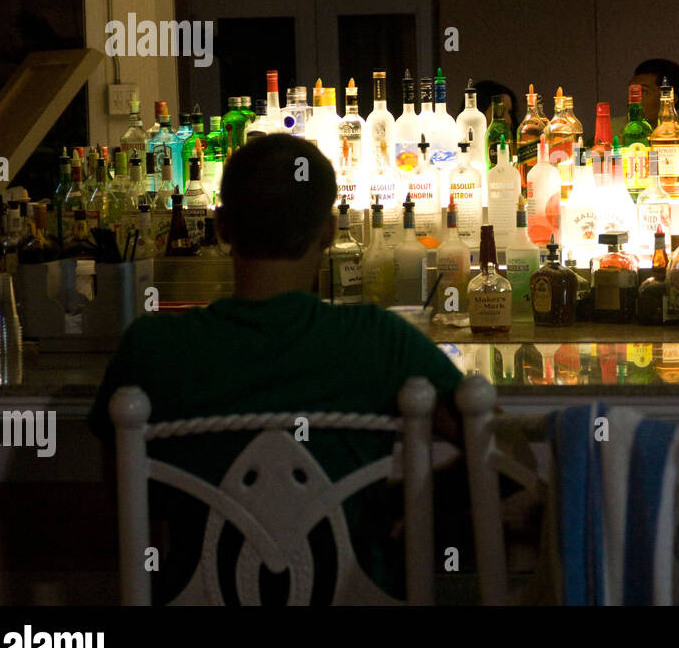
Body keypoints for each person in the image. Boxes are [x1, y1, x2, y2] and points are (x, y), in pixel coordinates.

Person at [89, 134, 463, 603]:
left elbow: (127, 512)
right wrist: (413, 506)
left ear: (222, 228)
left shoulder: (149, 347)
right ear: (328, 233)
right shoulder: (380, 339)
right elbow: (502, 452)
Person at [612, 58, 679, 135]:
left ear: (669, 99)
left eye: (643, 91)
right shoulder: (613, 129)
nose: (633, 100)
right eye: (633, 92)